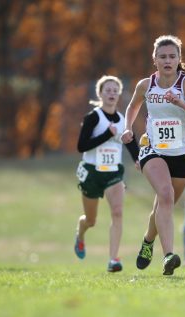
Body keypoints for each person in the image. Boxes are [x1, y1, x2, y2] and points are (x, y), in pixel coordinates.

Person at [121, 35, 185, 275]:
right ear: (155, 60)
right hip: (152, 149)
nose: (168, 60)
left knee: (164, 204)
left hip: (183, 154)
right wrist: (128, 127)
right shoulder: (146, 85)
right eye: (163, 56)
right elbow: (132, 106)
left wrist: (183, 104)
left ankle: (148, 241)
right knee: (165, 194)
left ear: (179, 59)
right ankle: (169, 256)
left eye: (172, 56)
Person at [74, 75, 140, 273]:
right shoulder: (93, 117)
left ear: (119, 95)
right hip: (92, 173)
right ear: (100, 93)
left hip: (113, 173)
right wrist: (106, 135)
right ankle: (81, 231)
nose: (111, 94)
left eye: (115, 91)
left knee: (118, 212)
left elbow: (129, 141)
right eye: (108, 90)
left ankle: (113, 259)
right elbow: (81, 146)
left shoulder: (123, 120)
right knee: (91, 220)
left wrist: (138, 159)